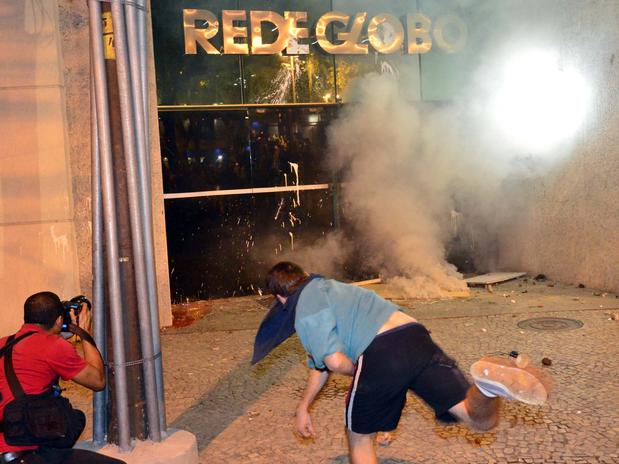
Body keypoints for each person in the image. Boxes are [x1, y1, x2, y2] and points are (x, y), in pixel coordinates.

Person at [252, 262, 552, 464]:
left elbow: (334, 361)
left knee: (359, 436)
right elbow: (318, 367)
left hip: (380, 348)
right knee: (477, 418)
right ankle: (487, 388)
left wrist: (363, 373)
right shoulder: (334, 288)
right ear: (304, 275)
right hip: (415, 335)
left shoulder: (303, 305)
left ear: (281, 298)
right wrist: (304, 406)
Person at [0, 292, 125, 464]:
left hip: (10, 434)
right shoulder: (54, 346)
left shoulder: (4, 343)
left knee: (76, 418)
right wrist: (83, 333)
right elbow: (97, 381)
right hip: (22, 453)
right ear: (59, 320)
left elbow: (35, 350)